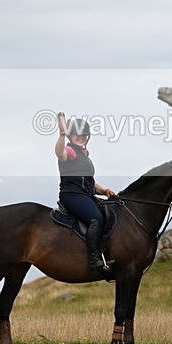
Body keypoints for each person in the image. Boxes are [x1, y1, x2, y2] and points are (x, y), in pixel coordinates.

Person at [56, 112, 117, 274]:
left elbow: (90, 183)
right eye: (77, 134)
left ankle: (106, 252)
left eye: (84, 135)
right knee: (95, 219)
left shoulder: (84, 155)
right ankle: (95, 260)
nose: (81, 137)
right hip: (72, 195)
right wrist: (61, 134)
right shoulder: (70, 151)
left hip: (86, 195)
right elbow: (59, 154)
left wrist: (105, 190)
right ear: (70, 135)